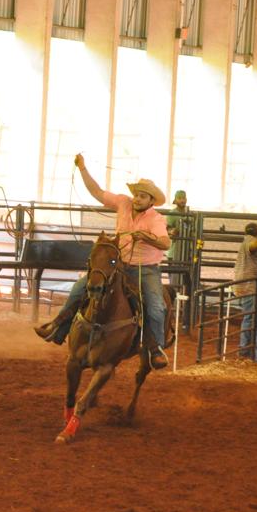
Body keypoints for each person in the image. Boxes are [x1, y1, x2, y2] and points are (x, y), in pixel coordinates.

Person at [34, 154, 172, 369]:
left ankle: (156, 349)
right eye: (136, 194)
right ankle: (58, 326)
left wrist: (146, 237)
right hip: (118, 265)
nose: (137, 198)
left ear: (151, 201)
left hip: (145, 270)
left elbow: (165, 243)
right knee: (82, 287)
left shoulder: (156, 219)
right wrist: (82, 169)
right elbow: (97, 192)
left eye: (143, 196)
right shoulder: (123, 203)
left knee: (155, 305)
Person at [233, 223, 257, 356]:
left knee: (249, 316)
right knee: (249, 317)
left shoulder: (245, 242)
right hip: (249, 285)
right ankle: (244, 349)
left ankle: (246, 347)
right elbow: (254, 246)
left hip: (242, 285)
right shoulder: (251, 242)